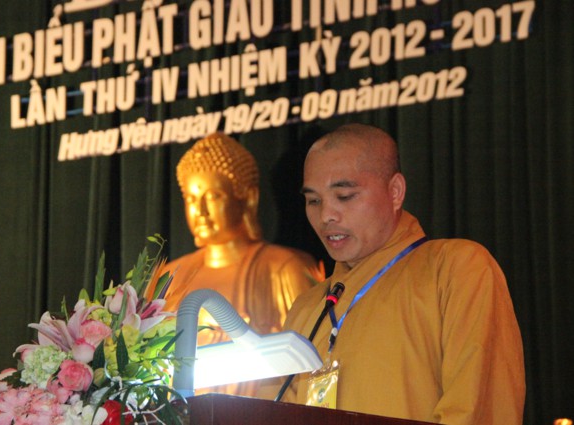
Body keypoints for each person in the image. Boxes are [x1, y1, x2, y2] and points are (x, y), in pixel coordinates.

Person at [260, 124, 525, 424]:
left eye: (344, 196)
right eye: (314, 201)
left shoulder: (455, 269)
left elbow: (476, 410)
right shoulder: (307, 309)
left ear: (395, 192)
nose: (326, 216)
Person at [160, 132, 322, 396]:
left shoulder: (283, 268)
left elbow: (308, 365)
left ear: (248, 197)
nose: (200, 211)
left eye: (213, 196)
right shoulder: (170, 277)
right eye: (191, 198)